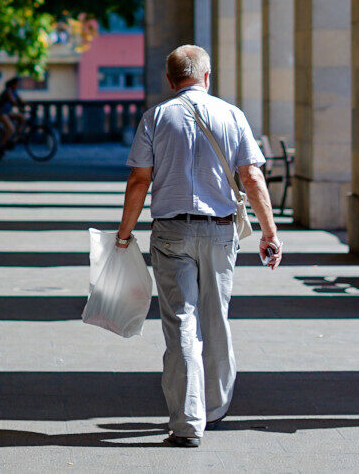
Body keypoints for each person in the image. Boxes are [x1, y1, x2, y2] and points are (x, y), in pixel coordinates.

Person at [117, 45, 283, 448]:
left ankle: (187, 420)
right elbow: (253, 178)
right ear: (207, 77)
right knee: (216, 318)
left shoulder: (156, 117)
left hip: (171, 231)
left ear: (171, 81)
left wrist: (123, 235)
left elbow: (140, 180)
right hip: (221, 231)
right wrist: (269, 232)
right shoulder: (232, 115)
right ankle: (215, 408)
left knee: (181, 322)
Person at [0, 76, 28, 149]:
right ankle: (1, 146)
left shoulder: (14, 92)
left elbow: (20, 101)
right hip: (1, 113)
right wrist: (20, 108)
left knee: (22, 118)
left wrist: (29, 105)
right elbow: (13, 102)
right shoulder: (8, 91)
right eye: (17, 84)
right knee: (11, 129)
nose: (18, 86)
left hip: (7, 112)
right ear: (13, 84)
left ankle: (15, 138)